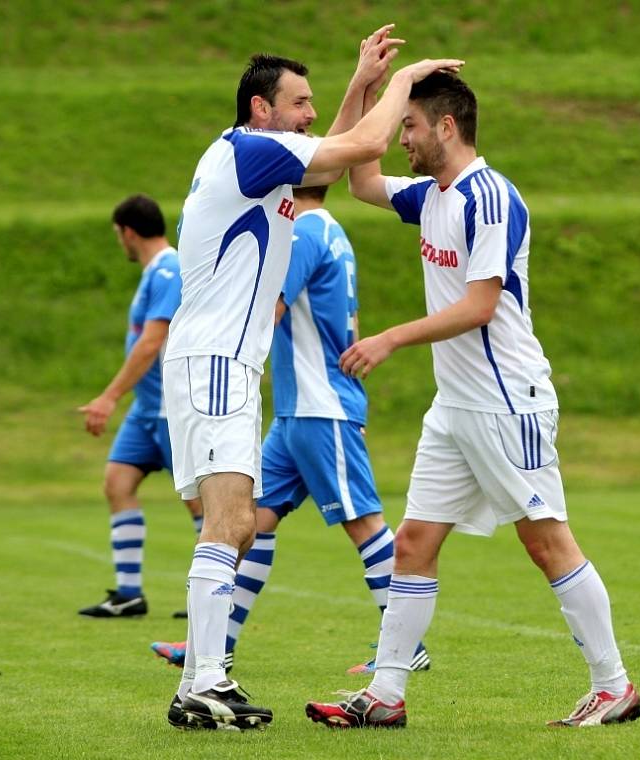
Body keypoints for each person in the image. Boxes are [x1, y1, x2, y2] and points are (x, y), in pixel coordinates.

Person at [304, 72, 640, 729]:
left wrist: (392, 338)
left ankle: (614, 687)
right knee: (413, 543)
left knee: (548, 545)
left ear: (446, 128)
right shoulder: (432, 195)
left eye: (409, 126)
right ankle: (386, 694)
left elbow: (481, 305)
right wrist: (368, 85)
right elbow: (360, 178)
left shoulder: (490, 198)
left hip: (506, 402)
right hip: (455, 407)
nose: (400, 138)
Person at [161, 23, 463, 731]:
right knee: (230, 522)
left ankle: (203, 681)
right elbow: (359, 150)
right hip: (215, 363)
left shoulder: (257, 160)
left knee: (234, 527)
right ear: (261, 110)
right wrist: (401, 84)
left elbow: (325, 167)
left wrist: (361, 82)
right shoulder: (250, 150)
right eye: (299, 102)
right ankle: (202, 683)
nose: (307, 113)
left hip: (220, 363)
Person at [150, 184, 429, 676]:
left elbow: (270, 308)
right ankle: (218, 643)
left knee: (363, 523)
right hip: (299, 410)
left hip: (320, 405)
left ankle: (405, 646)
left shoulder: (301, 233)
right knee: (254, 520)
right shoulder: (332, 230)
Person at [77, 194, 204, 618]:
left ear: (128, 232)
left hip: (172, 407)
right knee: (117, 483)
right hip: (146, 409)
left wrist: (109, 396)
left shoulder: (169, 268)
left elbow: (152, 342)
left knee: (200, 503)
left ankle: (213, 596)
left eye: (119, 235)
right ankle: (129, 593)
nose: (121, 242)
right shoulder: (155, 271)